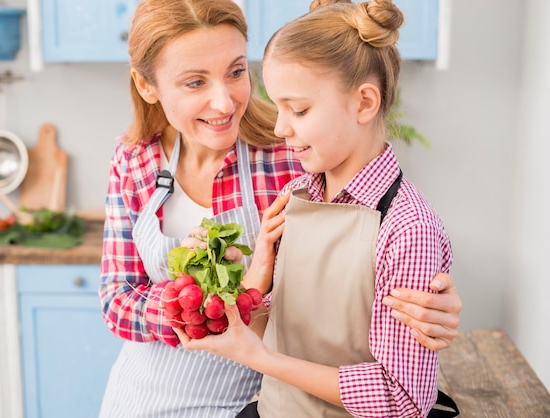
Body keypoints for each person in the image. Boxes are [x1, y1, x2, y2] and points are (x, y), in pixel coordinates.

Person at [98, 0, 461, 417]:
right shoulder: (135, 160)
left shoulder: (297, 153)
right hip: (148, 397)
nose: (223, 103)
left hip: (255, 399)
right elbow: (117, 299)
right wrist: (211, 300)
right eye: (195, 83)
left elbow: (369, 255)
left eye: (236, 72)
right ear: (148, 86)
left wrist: (432, 301)